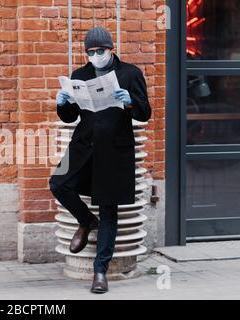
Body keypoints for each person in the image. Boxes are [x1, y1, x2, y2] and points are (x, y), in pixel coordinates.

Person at [49, 27, 151, 294]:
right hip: (83, 146)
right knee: (58, 184)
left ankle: (99, 272)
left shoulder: (130, 73)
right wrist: (62, 103)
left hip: (115, 150)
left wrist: (130, 102)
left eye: (100, 51)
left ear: (110, 49)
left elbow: (145, 113)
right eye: (91, 52)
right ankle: (86, 221)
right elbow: (70, 117)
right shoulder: (79, 76)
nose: (95, 56)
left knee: (109, 210)